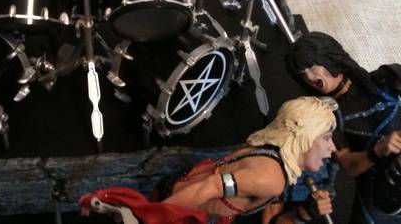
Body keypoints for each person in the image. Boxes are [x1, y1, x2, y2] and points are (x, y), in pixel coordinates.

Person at [79, 96, 337, 224]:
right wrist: (155, 219)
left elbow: (270, 213)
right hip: (182, 208)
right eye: (326, 138)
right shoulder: (271, 178)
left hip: (177, 190)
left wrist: (304, 213)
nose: (332, 147)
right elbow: (211, 186)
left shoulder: (272, 153)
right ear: (304, 135)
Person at [286, 31, 401, 223]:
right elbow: (348, 165)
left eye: (312, 67)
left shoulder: (382, 80)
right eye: (302, 74)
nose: (309, 77)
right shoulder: (326, 117)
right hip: (377, 197)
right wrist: (377, 150)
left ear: (329, 58)